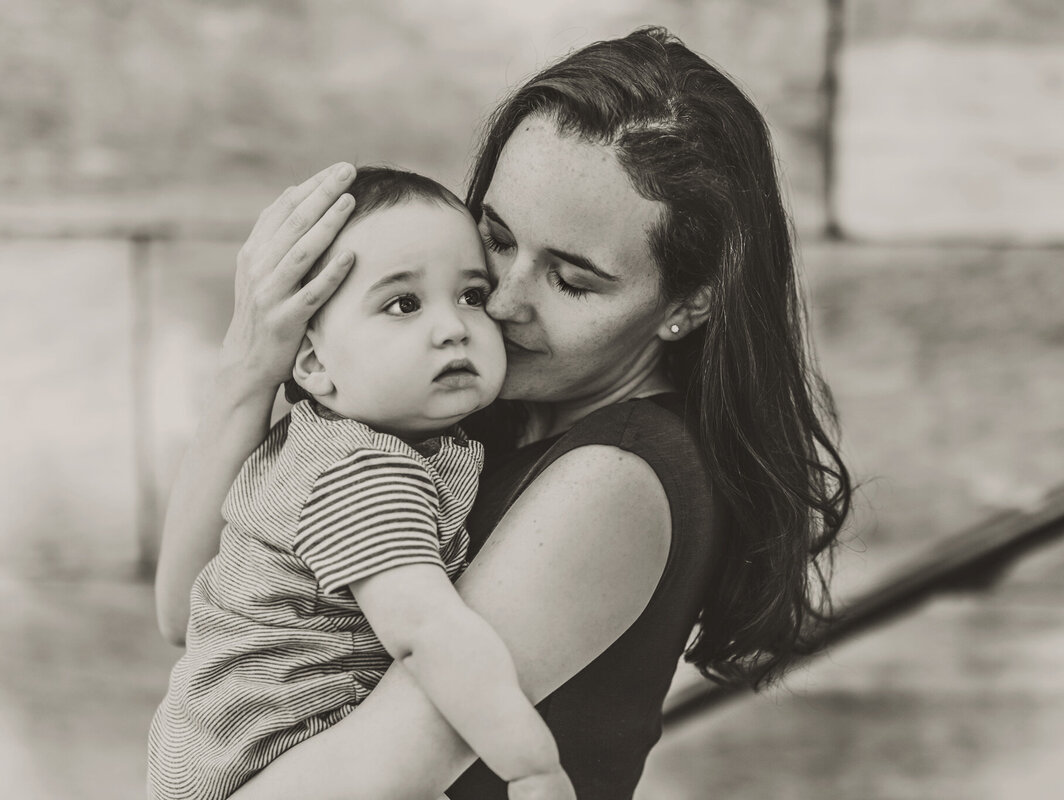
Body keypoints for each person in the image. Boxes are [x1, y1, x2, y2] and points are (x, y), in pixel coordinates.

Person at [154, 26, 851, 800]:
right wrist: (251, 367)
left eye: (573, 281)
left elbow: (365, 775)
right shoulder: (450, 415)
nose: (506, 301)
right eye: (496, 238)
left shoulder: (615, 479)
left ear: (689, 303)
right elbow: (195, 612)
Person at [149, 168, 574, 800]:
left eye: (472, 295)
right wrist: (530, 764)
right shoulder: (363, 471)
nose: (454, 327)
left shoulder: (323, 437)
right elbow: (430, 635)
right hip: (267, 751)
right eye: (403, 304)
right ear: (315, 362)